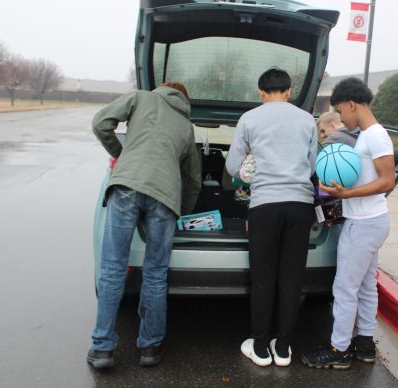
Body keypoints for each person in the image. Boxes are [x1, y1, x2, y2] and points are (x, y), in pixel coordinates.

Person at [88, 82, 201, 368]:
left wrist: (121, 153)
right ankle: (150, 347)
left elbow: (101, 122)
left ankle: (102, 349)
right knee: (155, 274)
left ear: (161, 89)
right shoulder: (187, 128)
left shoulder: (140, 98)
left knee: (113, 269)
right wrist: (181, 213)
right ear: (184, 100)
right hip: (165, 199)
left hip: (126, 186)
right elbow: (192, 181)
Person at [301, 77, 395, 369]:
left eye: (341, 111)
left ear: (352, 104)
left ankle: (339, 349)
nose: (341, 118)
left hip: (364, 223)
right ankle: (364, 343)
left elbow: (387, 180)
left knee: (344, 288)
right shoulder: (367, 135)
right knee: (366, 287)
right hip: (370, 221)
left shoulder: (375, 136)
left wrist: (346, 194)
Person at [226, 68, 317, 367]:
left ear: (261, 91)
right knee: (291, 277)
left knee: (263, 278)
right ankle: (284, 347)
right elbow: (313, 164)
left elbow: (232, 167)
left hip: (264, 205)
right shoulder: (307, 120)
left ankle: (261, 347)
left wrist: (246, 174)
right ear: (289, 91)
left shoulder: (249, 119)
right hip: (300, 205)